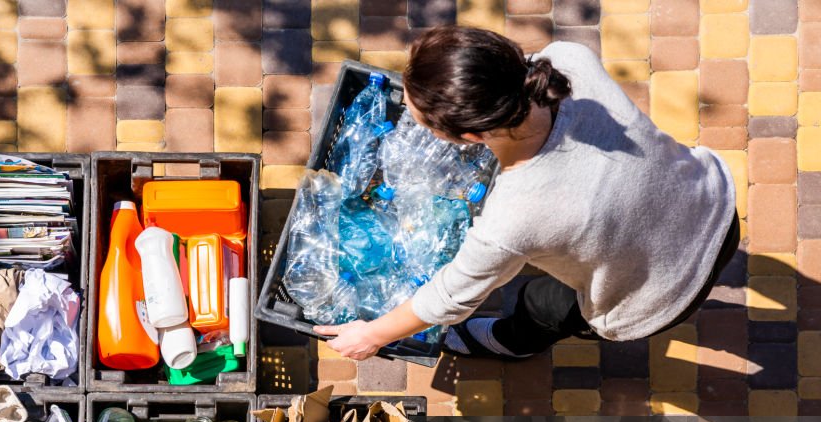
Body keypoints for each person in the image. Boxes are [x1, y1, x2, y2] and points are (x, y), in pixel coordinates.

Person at [314, 27, 738, 360]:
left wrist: (370, 335)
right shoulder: (569, 61)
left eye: (421, 120)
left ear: (469, 135)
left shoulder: (514, 216)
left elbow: (450, 298)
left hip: (659, 295)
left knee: (543, 305)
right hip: (712, 203)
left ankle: (511, 344)